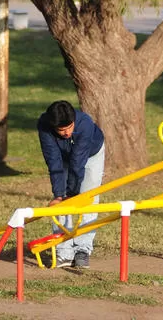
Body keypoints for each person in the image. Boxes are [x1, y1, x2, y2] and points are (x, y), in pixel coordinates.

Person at [37, 99, 105, 268]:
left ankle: (83, 248)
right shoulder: (44, 126)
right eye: (61, 130)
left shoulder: (85, 124)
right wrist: (60, 195)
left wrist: (72, 195)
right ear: (53, 126)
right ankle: (64, 250)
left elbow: (77, 163)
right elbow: (53, 162)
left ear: (74, 120)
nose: (67, 133)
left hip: (90, 155)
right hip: (62, 157)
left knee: (89, 198)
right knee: (59, 202)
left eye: (69, 127)